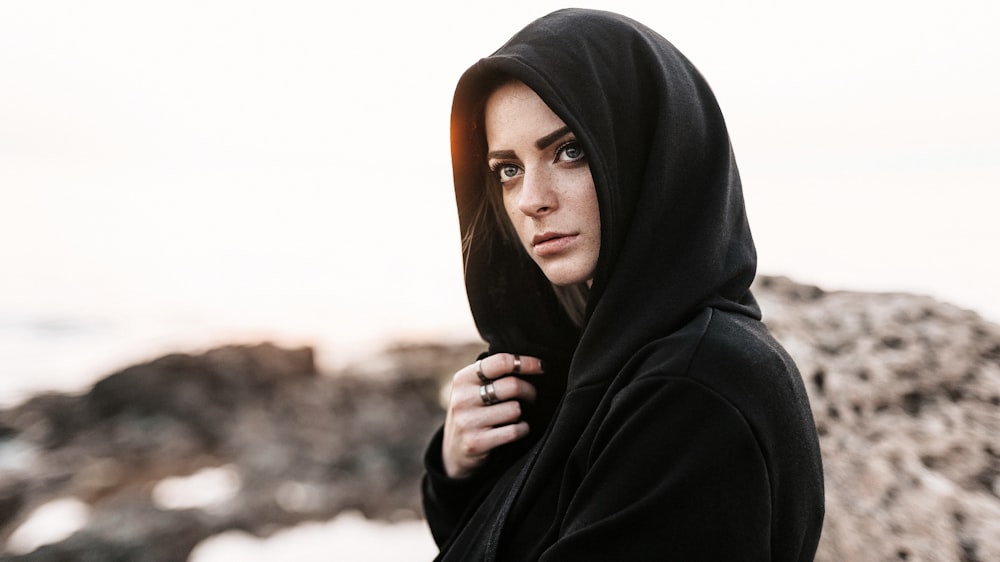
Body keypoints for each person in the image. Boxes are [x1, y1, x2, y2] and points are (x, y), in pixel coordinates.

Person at [421, 8, 825, 561]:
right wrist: (460, 467)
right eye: (507, 169)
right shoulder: (591, 364)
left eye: (568, 151)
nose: (531, 199)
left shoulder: (694, 390)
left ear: (647, 155)